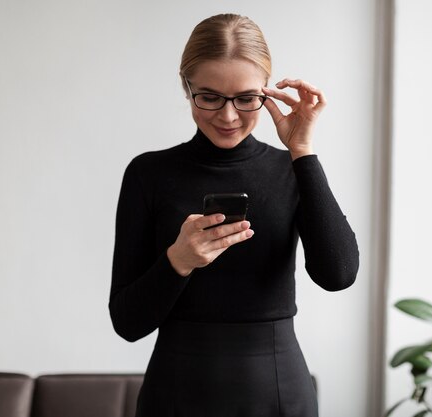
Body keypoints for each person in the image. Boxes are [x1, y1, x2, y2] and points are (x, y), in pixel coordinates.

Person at [109, 13, 359, 417]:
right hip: (175, 394)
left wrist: (303, 151)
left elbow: (339, 274)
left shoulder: (292, 169)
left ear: (267, 92)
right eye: (209, 97)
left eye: (246, 99)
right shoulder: (148, 173)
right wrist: (178, 261)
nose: (228, 117)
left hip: (277, 393)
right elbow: (127, 323)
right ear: (185, 87)